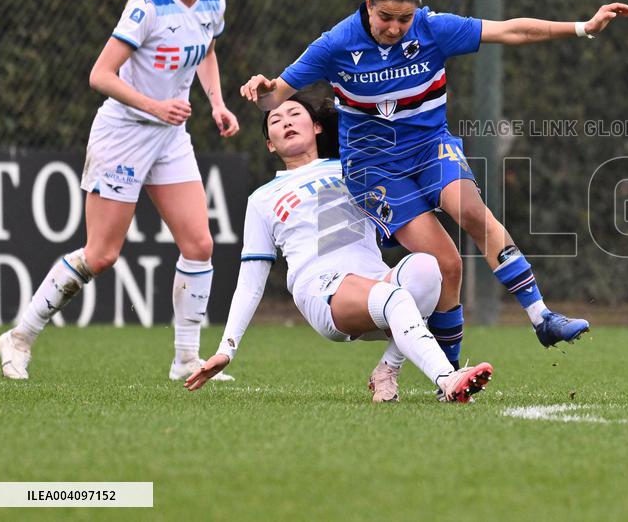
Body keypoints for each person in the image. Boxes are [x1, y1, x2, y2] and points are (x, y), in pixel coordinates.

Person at [240, 0, 628, 376]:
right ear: (369, 6)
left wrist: (583, 27)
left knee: (471, 212)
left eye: (404, 19)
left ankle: (541, 317)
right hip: (374, 169)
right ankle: (450, 374)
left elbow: (510, 30)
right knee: (447, 265)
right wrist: (263, 91)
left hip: (430, 147)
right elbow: (275, 95)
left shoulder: (433, 28)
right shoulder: (335, 44)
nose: (395, 28)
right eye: (386, 17)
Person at [0, 0, 240, 382]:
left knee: (199, 244)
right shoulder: (146, 8)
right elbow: (100, 75)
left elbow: (206, 51)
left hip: (170, 136)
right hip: (124, 133)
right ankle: (20, 336)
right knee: (102, 254)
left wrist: (217, 103)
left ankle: (186, 360)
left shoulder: (213, 1)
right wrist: (155, 105)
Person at [184, 96, 494, 404]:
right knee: (396, 298)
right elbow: (251, 282)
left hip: (374, 280)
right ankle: (448, 379)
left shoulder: (354, 169)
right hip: (321, 289)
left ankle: (387, 369)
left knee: (427, 268)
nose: (286, 121)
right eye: (275, 120)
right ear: (270, 145)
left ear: (317, 127)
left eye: (294, 114)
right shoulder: (262, 199)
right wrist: (226, 349)